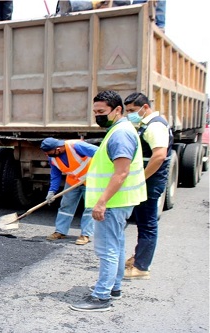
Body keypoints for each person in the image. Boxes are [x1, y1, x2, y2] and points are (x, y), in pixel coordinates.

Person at [70, 90, 146, 312]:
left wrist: (101, 202)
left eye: (102, 111)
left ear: (118, 110)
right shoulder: (118, 130)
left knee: (107, 249)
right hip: (120, 201)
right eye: (95, 112)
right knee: (118, 245)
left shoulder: (121, 134)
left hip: (113, 203)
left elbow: (121, 173)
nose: (97, 116)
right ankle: (114, 288)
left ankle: (101, 297)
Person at [122, 92, 172, 280]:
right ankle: (139, 258)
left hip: (149, 183)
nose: (130, 114)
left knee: (147, 224)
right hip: (148, 181)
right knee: (142, 222)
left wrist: (141, 179)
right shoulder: (147, 124)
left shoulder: (155, 126)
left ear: (145, 107)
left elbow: (159, 156)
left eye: (133, 110)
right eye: (127, 111)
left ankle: (141, 267)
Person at [40, 137, 99, 245]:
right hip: (73, 181)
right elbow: (55, 175)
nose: (47, 155)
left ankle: (85, 234)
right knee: (65, 206)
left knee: (90, 208)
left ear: (58, 148)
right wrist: (51, 191)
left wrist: (99, 170)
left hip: (90, 180)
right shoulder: (52, 157)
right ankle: (60, 231)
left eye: (49, 152)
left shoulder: (76, 146)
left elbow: (100, 153)